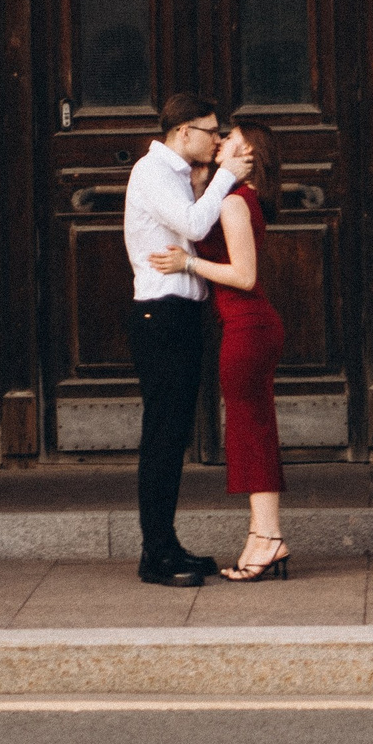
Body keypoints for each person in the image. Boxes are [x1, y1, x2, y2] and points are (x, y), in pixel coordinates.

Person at [151, 118, 288, 582]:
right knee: (253, 431)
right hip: (245, 327)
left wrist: (188, 263)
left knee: (250, 432)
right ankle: (262, 536)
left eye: (230, 139)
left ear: (250, 156)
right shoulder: (230, 197)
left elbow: (245, 277)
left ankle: (268, 538)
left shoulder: (233, 203)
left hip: (248, 328)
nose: (220, 142)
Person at [122, 92, 243, 588]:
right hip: (161, 314)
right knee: (163, 436)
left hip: (184, 312)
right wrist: (227, 177)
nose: (217, 139)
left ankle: (166, 543)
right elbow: (194, 225)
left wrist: (203, 184)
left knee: (174, 435)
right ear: (183, 133)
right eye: (210, 130)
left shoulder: (178, 175)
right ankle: (154, 553)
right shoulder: (151, 172)